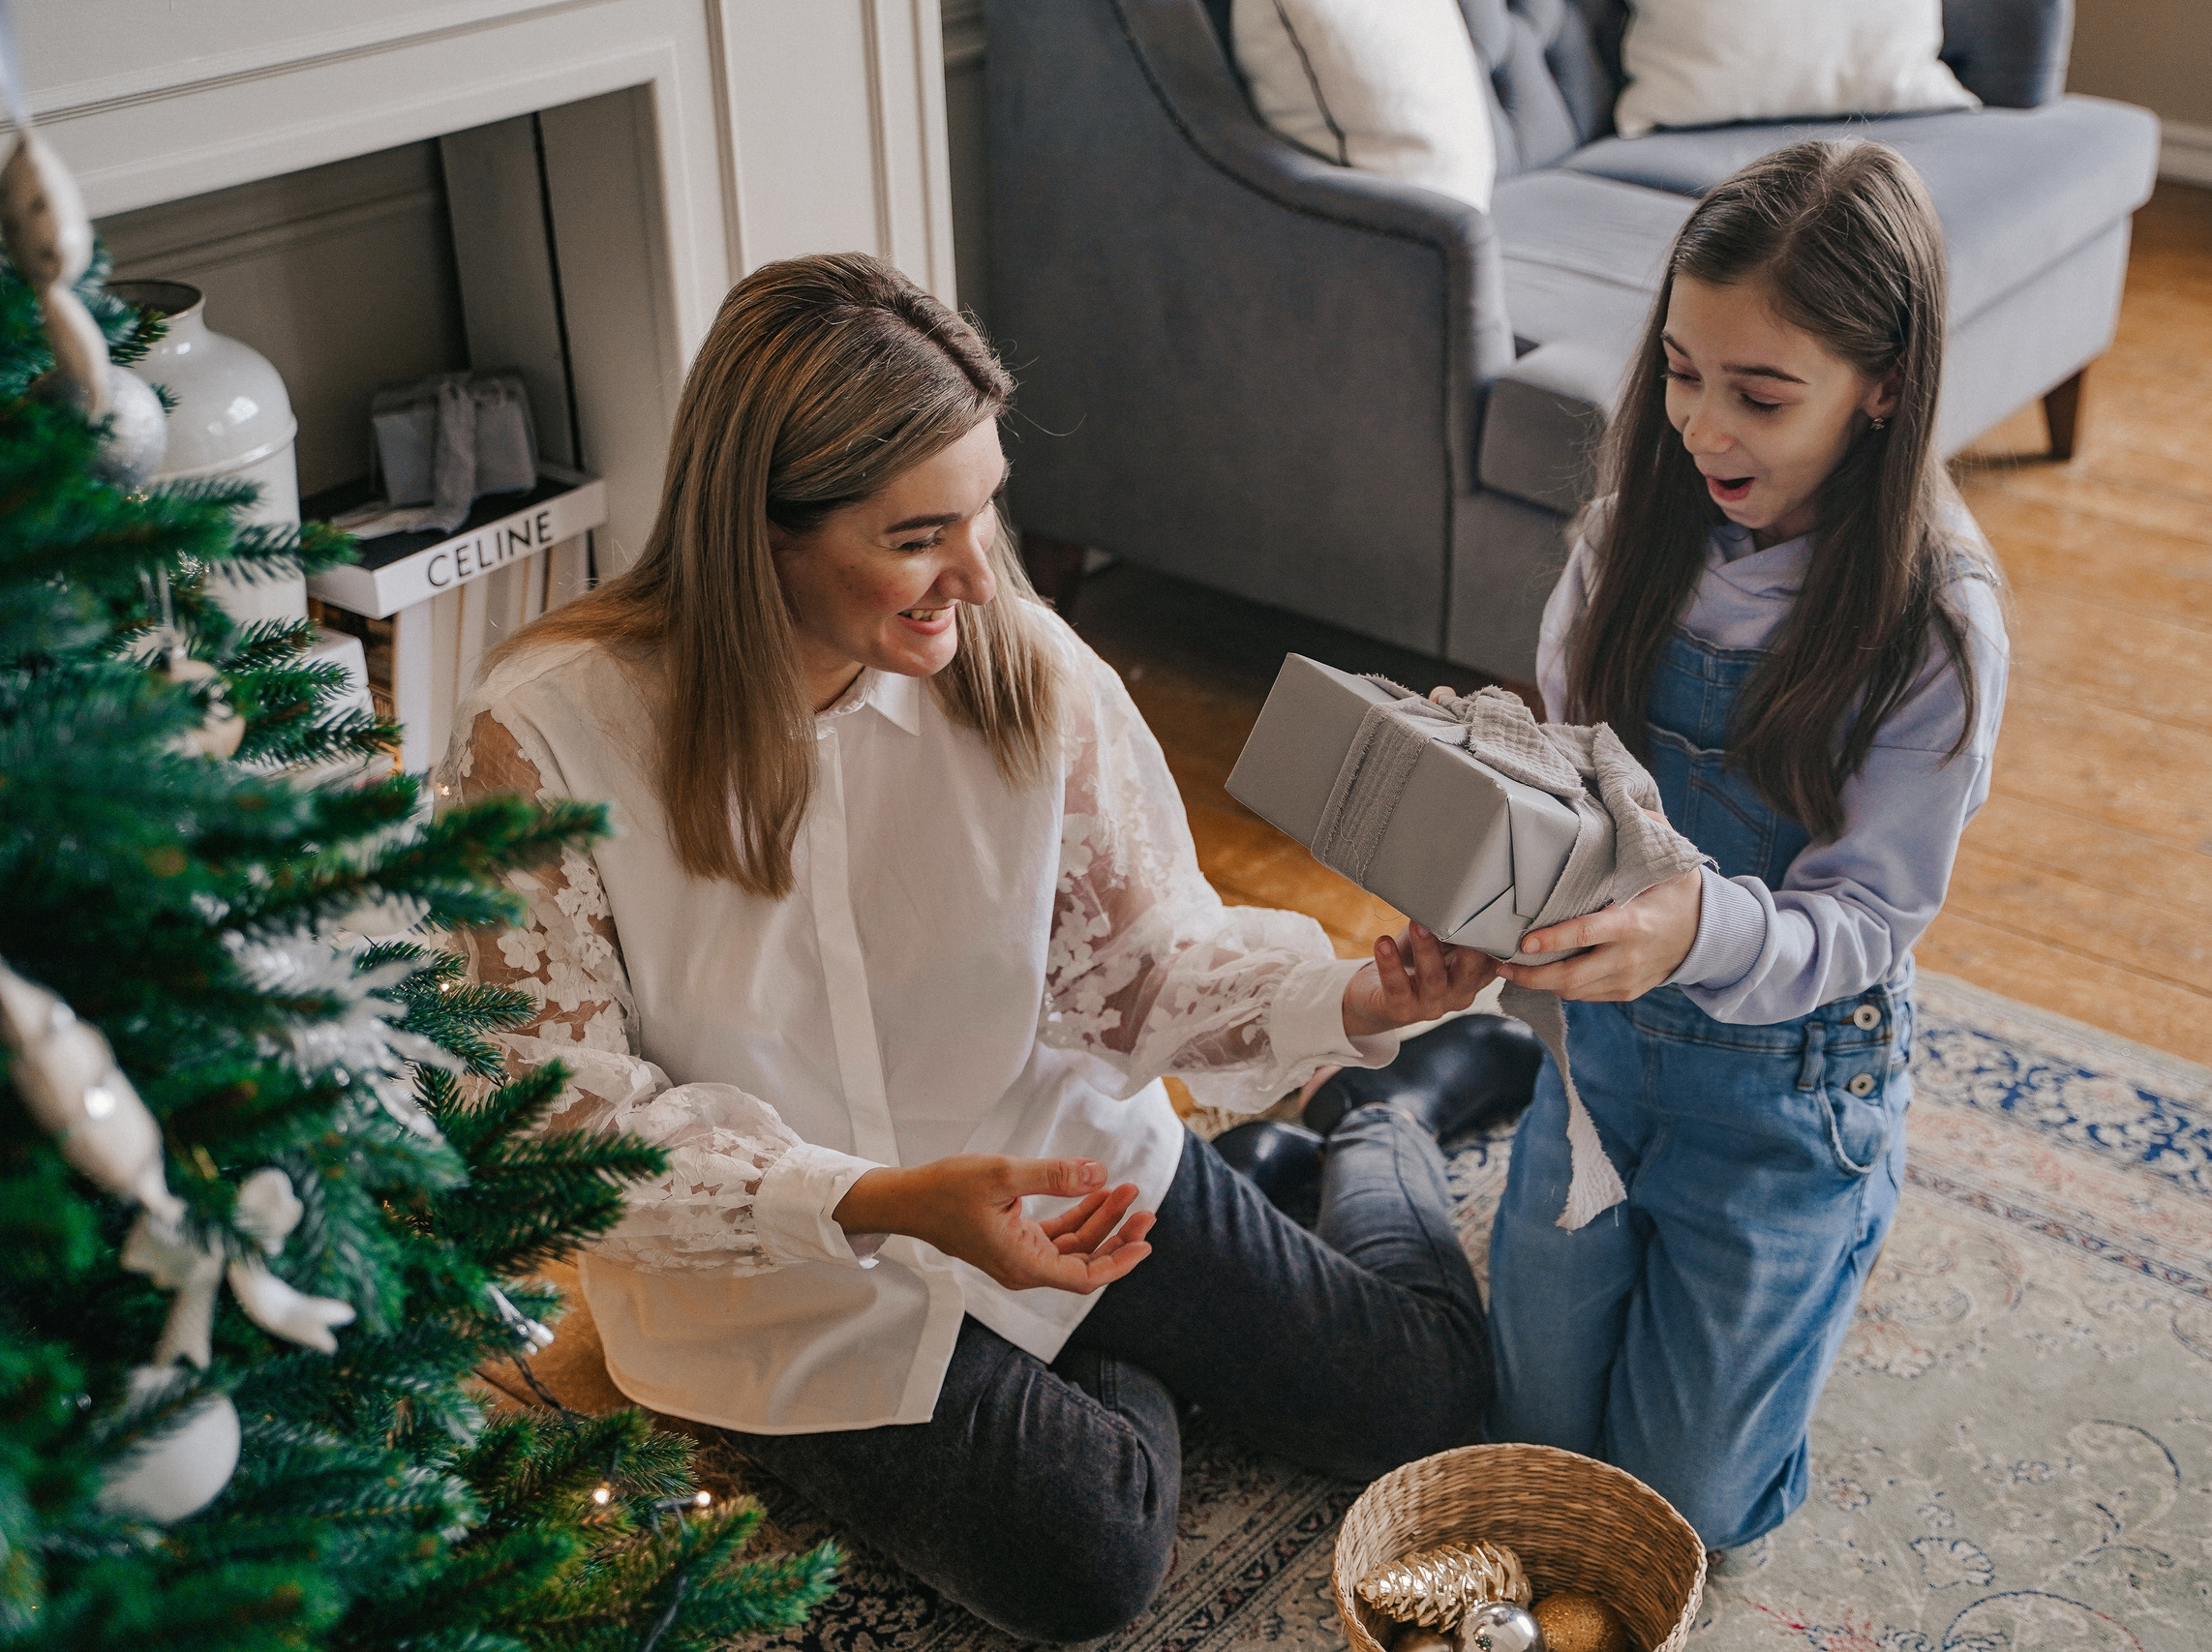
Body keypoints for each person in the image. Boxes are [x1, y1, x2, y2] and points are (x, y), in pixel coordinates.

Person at [442, 253, 1507, 1640]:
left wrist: (1362, 996)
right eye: (915, 535)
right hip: (800, 1278)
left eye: (983, 511)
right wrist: (886, 1201)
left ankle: (1372, 1116)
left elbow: (1137, 969)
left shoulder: (1026, 668)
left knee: (1428, 1403)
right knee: (1088, 1567)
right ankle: (1191, 1277)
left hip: (1067, 1161)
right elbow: (559, 1143)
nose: (976, 570)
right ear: (759, 528)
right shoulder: (549, 739)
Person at [1482, 139, 2012, 1556]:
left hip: (1788, 1100)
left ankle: (1836, 1230)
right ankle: (1388, 1157)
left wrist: (1688, 928)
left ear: (1883, 385)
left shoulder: (1935, 627)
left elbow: (1864, 920)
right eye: (1680, 372)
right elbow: (1572, 785)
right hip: (1601, 1062)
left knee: (1678, 1517)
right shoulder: (1623, 539)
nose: (1704, 429)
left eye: (1761, 395)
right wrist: (1476, 808)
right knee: (1532, 1455)